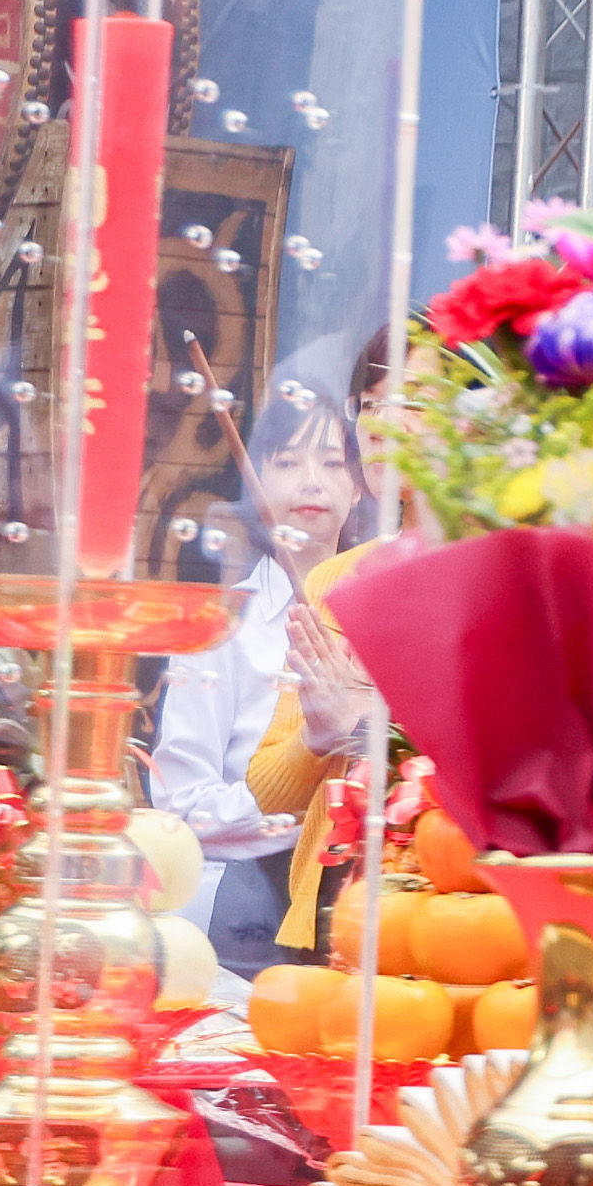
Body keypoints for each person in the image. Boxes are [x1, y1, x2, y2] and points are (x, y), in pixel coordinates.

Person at [152, 385, 379, 977]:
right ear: (255, 481)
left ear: (359, 485)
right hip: (252, 891)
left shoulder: (386, 604)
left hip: (364, 884)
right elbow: (182, 808)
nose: (312, 481)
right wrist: (295, 800)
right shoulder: (221, 627)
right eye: (287, 462)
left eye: (333, 463)